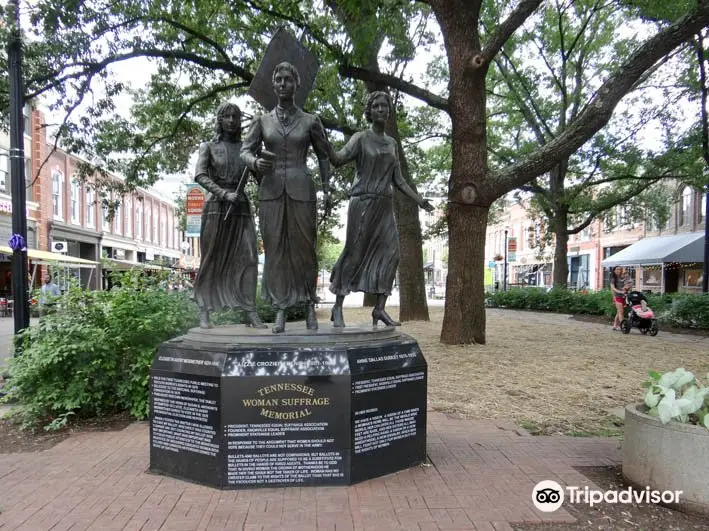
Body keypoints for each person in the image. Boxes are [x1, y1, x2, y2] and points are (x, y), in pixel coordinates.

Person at [327, 91, 434, 327]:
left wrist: (419, 200)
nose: (381, 110)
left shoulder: (392, 143)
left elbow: (399, 180)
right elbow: (338, 158)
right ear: (369, 111)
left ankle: (379, 309)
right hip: (363, 203)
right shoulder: (360, 138)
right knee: (355, 253)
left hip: (385, 206)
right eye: (376, 106)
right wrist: (321, 141)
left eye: (385, 106)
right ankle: (337, 305)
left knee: (392, 254)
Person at [241, 61, 331, 334]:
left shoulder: (311, 120)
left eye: (287, 80)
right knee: (276, 251)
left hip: (302, 189)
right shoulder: (262, 121)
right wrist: (256, 164)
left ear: (296, 84)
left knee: (304, 250)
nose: (282, 84)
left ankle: (308, 307)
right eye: (278, 79)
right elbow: (245, 151)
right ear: (273, 84)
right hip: (270, 192)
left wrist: (327, 189)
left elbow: (324, 155)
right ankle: (280, 309)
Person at [192, 102, 266, 330]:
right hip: (216, 207)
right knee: (212, 259)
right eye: (227, 117)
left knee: (249, 258)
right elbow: (200, 175)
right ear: (220, 120)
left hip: (241, 208)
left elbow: (262, 178)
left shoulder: (246, 148)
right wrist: (224, 193)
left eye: (236, 117)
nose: (232, 121)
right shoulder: (209, 147)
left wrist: (260, 159)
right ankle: (204, 310)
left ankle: (249, 310)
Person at [610, 266, 628, 331]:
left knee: (619, 311)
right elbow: (613, 288)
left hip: (623, 297)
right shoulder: (613, 279)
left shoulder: (623, 278)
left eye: (620, 269)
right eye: (617, 269)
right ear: (614, 271)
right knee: (621, 311)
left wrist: (626, 288)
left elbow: (627, 285)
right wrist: (620, 291)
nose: (618, 271)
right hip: (616, 296)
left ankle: (615, 325)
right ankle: (623, 325)